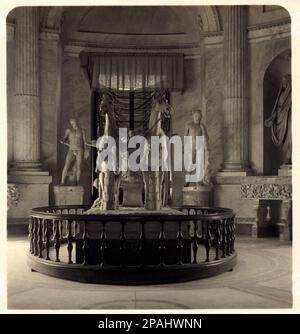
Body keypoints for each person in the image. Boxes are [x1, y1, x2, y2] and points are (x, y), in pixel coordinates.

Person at [265, 74, 292, 164]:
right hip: (283, 120)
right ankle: (288, 160)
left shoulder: (293, 94)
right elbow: (278, 109)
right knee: (286, 141)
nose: (283, 83)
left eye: (285, 81)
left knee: (291, 140)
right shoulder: (282, 95)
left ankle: (291, 159)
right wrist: (272, 118)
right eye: (282, 81)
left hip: (290, 120)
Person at [184, 109, 211, 186]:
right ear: (193, 116)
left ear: (201, 117)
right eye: (196, 116)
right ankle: (187, 181)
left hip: (200, 146)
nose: (197, 118)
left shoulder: (202, 126)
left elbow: (207, 138)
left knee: (199, 164)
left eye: (199, 116)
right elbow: (185, 136)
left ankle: (199, 180)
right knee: (190, 163)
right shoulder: (189, 125)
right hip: (191, 146)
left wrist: (203, 129)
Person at [60, 118, 87, 186]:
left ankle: (78, 183)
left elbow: (85, 142)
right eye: (71, 123)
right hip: (71, 149)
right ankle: (62, 182)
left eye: (73, 122)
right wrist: (62, 140)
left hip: (79, 150)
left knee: (79, 167)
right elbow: (64, 138)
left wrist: (87, 148)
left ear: (76, 121)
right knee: (66, 165)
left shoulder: (82, 130)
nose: (72, 124)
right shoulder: (68, 130)